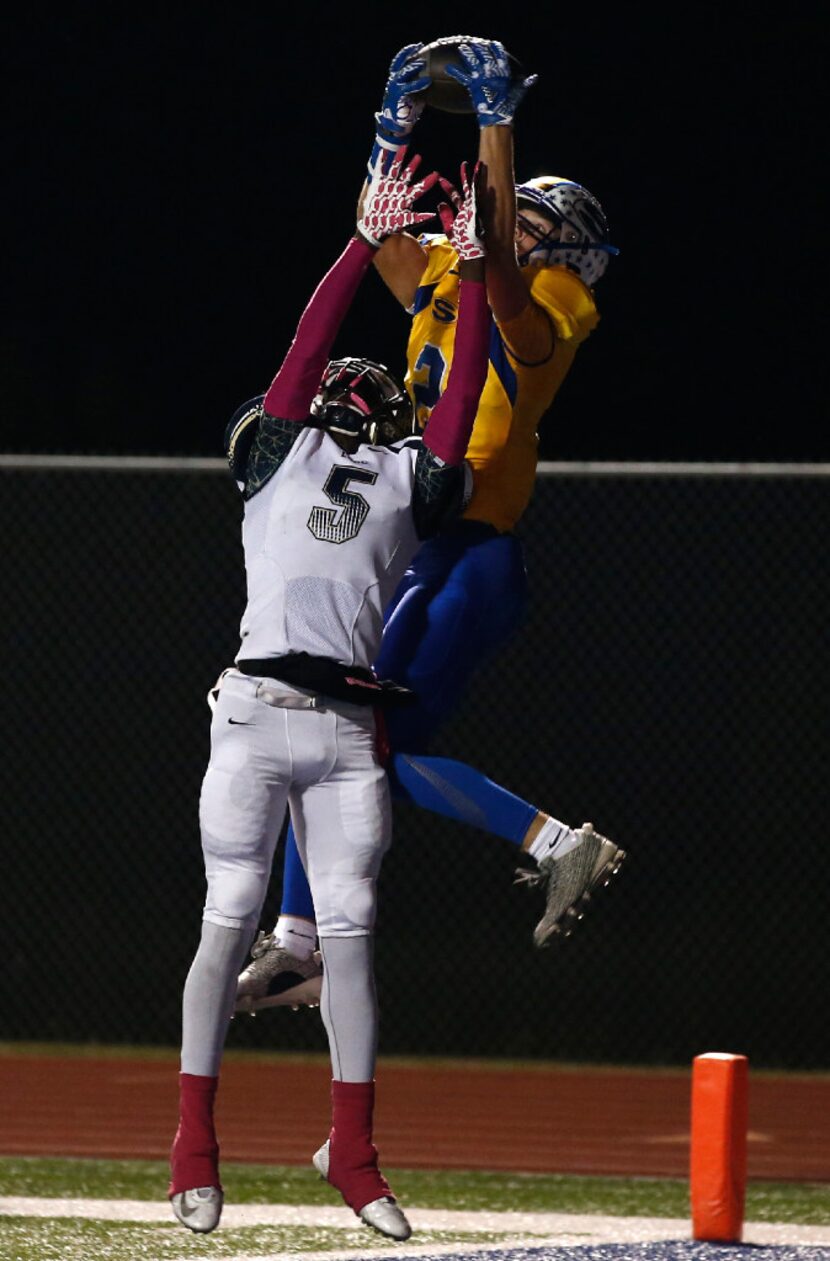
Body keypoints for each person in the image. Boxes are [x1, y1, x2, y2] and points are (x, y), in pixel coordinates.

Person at [235, 37, 624, 1016]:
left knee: (365, 745)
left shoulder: (547, 309)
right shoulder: (451, 287)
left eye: (528, 222)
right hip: (413, 546)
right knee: (319, 722)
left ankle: (552, 843)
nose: (501, 229)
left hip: (469, 559)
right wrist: (390, 127)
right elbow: (379, 232)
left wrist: (494, 129)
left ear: (562, 247)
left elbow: (494, 268)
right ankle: (296, 940)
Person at [169, 149, 492, 1240]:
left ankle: (353, 1158)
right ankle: (191, 1149)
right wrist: (361, 245)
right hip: (258, 717)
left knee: (346, 944)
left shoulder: (409, 479)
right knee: (224, 929)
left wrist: (477, 272)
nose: (348, 394)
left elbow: (452, 418)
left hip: (348, 727)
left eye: (367, 391)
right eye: (337, 392)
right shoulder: (277, 455)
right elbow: (305, 353)